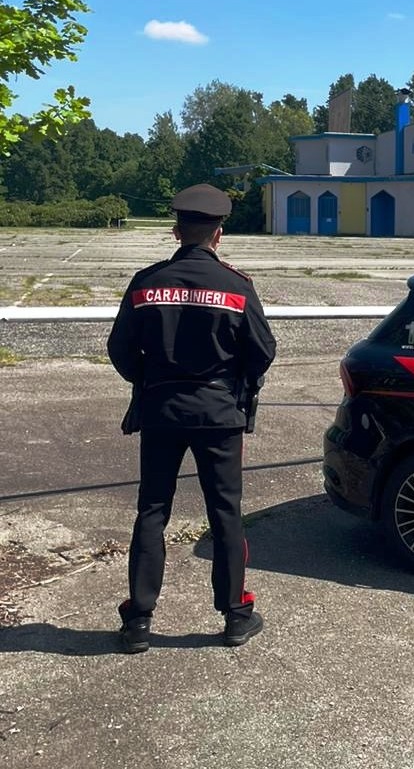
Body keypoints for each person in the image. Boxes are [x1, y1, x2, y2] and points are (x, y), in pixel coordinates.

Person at [107, 183, 276, 653]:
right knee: (225, 514)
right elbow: (263, 352)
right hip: (219, 414)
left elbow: (119, 349)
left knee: (152, 511)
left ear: (177, 229)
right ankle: (236, 617)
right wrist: (234, 384)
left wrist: (149, 381)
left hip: (161, 410)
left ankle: (138, 621)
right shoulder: (238, 287)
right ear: (219, 234)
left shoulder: (145, 283)